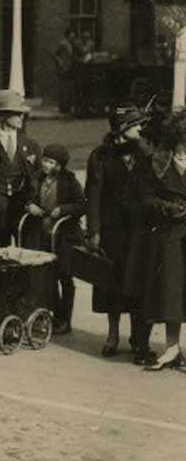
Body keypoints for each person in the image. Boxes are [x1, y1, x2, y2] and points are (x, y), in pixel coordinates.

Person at [85, 105, 153, 361]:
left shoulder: (144, 152)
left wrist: (143, 144)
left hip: (140, 230)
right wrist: (94, 232)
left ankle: (138, 339)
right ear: (123, 129)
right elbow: (93, 196)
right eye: (135, 125)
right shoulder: (100, 156)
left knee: (138, 285)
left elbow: (156, 171)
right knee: (110, 285)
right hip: (112, 231)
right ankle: (112, 335)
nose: (140, 128)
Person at [128, 113, 186, 372]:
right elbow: (143, 198)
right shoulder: (158, 162)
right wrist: (165, 207)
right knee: (172, 293)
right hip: (171, 236)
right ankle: (172, 348)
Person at [24, 144, 85, 334]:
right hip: (44, 234)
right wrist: (30, 206)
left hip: (64, 235)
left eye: (51, 162)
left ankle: (65, 320)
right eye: (44, 160)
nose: (45, 164)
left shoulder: (69, 180)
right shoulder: (39, 178)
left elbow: (82, 205)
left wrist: (63, 210)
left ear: (59, 165)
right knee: (46, 276)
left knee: (65, 277)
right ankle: (52, 315)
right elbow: (29, 198)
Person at [0, 89, 40, 247]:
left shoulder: (31, 145)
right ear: (3, 115)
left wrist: (31, 201)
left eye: (22, 114)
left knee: (26, 252)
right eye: (17, 114)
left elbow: (39, 176)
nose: (21, 118)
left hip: (23, 210)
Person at [54, 30, 76, 115]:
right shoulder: (63, 44)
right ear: (68, 36)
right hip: (64, 69)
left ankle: (67, 106)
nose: (73, 38)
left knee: (68, 87)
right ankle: (63, 107)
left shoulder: (70, 44)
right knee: (64, 88)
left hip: (69, 68)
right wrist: (60, 63)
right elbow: (56, 54)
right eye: (71, 36)